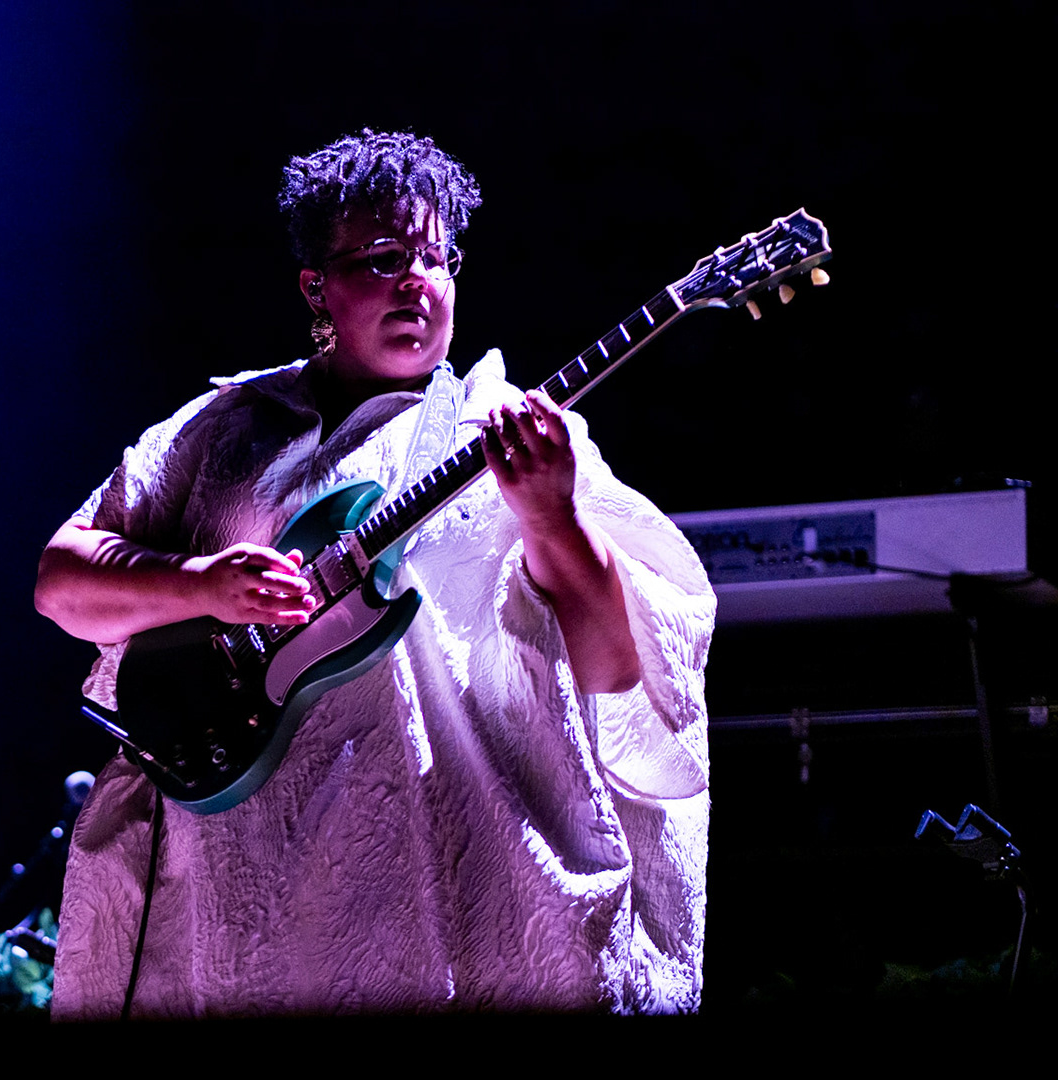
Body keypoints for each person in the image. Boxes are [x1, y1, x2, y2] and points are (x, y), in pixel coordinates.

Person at [35, 130, 712, 1016]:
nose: (417, 281)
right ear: (315, 286)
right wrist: (201, 584)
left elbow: (620, 675)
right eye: (385, 258)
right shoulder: (223, 429)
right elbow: (64, 582)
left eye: (437, 258)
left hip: (456, 889)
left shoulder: (507, 430)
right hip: (239, 890)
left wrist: (553, 515)